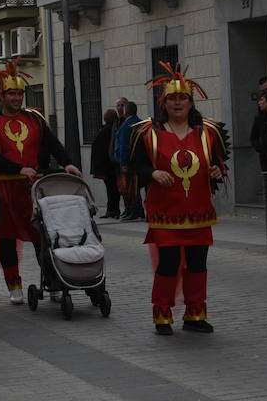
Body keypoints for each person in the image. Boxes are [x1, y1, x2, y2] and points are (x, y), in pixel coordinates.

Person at [129, 63, 229, 335]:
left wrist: (217, 172)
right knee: (169, 263)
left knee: (198, 264)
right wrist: (153, 172)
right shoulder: (148, 133)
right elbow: (135, 167)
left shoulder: (208, 133)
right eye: (172, 98)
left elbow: (219, 167)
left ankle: (195, 315)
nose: (177, 102)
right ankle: (162, 315)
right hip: (165, 212)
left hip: (199, 211)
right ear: (164, 102)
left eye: (182, 97)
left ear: (190, 101)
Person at [0, 60, 78, 304]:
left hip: (32, 187)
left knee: (42, 235)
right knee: (7, 239)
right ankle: (14, 286)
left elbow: (51, 142)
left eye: (20, 93)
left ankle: (52, 281)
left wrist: (67, 162)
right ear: (1, 96)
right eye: (11, 93)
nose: (16, 98)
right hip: (2, 188)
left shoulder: (35, 118)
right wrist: (16, 168)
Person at [115, 100, 145, 220]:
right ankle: (139, 211)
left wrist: (123, 163)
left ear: (126, 111)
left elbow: (124, 145)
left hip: (129, 161)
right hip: (139, 159)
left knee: (130, 187)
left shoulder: (126, 125)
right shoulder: (141, 122)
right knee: (135, 186)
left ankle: (134, 211)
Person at [91, 108, 121, 219]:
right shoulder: (112, 129)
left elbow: (101, 148)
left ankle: (112, 210)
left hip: (108, 166)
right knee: (113, 189)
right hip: (110, 165)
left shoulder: (107, 130)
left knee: (111, 189)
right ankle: (113, 209)